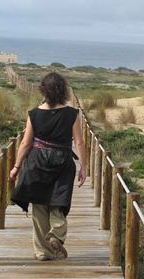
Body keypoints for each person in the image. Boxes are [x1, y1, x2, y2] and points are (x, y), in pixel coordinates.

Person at [10, 72, 87, 261]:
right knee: (58, 203)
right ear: (63, 90)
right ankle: (57, 234)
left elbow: (25, 144)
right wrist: (84, 166)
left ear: (43, 89)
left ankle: (43, 252)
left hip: (37, 162)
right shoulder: (71, 114)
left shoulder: (34, 114)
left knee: (39, 207)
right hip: (62, 161)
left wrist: (17, 166)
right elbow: (79, 142)